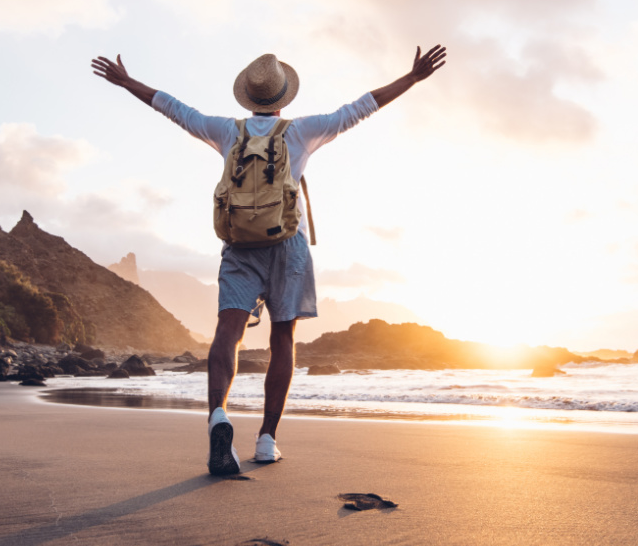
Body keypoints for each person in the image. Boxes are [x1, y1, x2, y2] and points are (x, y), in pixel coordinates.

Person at [91, 44, 447, 475]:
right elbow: (360, 108)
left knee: (229, 330)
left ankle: (219, 416)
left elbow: (174, 108)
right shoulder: (301, 132)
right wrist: (411, 79)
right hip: (287, 246)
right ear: (282, 99)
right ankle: (265, 440)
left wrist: (127, 82)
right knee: (283, 339)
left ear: (248, 96)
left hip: (240, 246)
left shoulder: (226, 131)